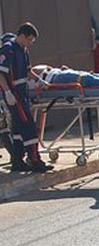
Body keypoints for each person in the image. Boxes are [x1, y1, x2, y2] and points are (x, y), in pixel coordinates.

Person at [0, 22, 53, 173]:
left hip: (21, 92)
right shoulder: (8, 49)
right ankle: (34, 159)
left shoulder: (23, 50)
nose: (30, 43)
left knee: (17, 127)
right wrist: (7, 92)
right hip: (14, 92)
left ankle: (17, 160)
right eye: (29, 40)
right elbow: (1, 73)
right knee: (29, 125)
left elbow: (28, 70)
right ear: (22, 36)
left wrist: (39, 80)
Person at [30, 64, 99, 88]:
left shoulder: (31, 72)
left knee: (89, 76)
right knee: (88, 78)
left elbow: (47, 67)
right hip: (56, 78)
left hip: (57, 75)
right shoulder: (27, 81)